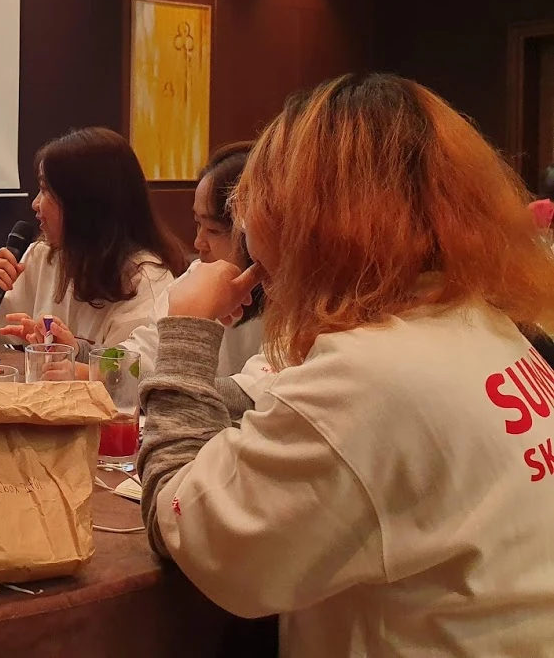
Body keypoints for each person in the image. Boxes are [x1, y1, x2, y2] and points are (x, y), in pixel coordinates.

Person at [138, 74, 554, 657]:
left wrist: (186, 332)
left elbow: (185, 528)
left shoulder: (371, 375)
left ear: (310, 222)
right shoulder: (486, 325)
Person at [0, 126, 184, 356]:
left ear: (84, 203)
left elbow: (129, 371)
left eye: (45, 190)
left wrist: (73, 353)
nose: (35, 204)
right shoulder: (44, 254)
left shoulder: (146, 278)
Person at [126, 142, 274, 417]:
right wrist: (88, 360)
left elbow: (253, 395)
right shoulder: (196, 277)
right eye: (198, 223)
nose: (198, 243)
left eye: (213, 230)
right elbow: (142, 353)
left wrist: (162, 385)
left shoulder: (295, 305)